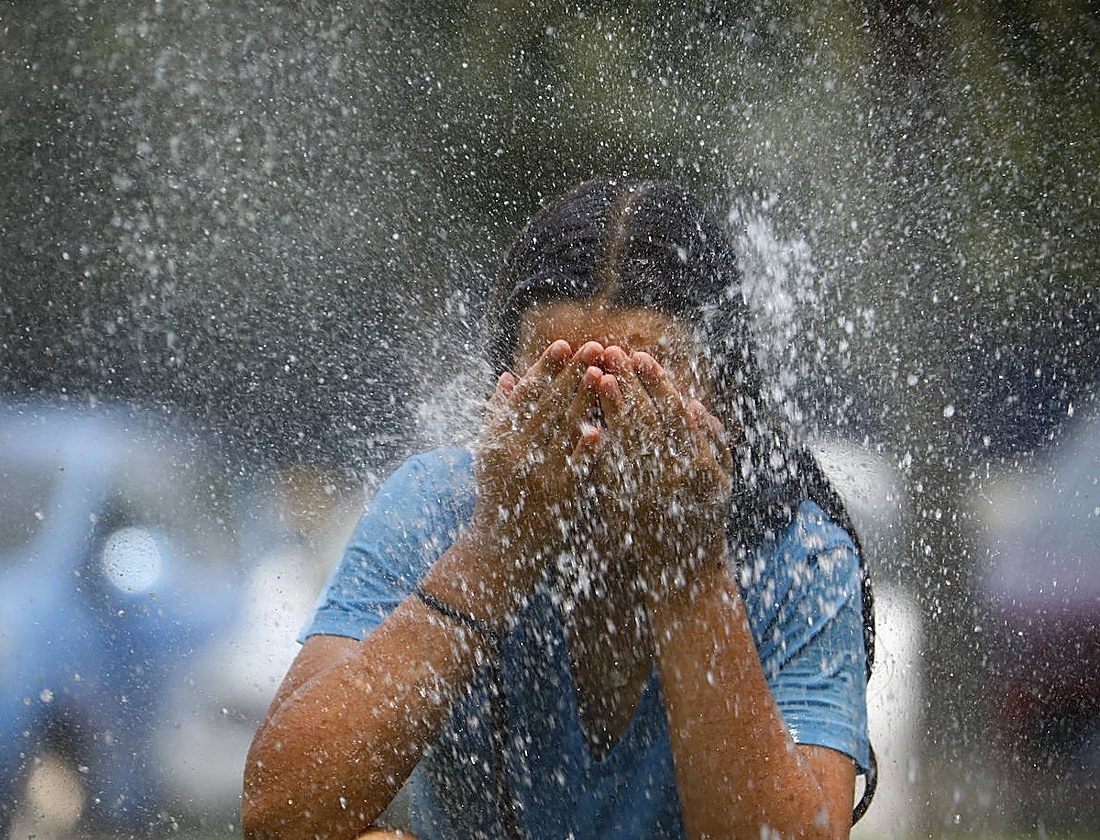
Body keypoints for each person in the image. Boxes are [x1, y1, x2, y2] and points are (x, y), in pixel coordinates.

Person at [242, 178, 871, 840]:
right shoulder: (440, 510)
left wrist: (688, 574)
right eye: (561, 395)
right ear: (503, 396)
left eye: (641, 401)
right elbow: (279, 817)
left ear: (726, 406)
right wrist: (495, 550)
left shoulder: (798, 560)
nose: (595, 442)